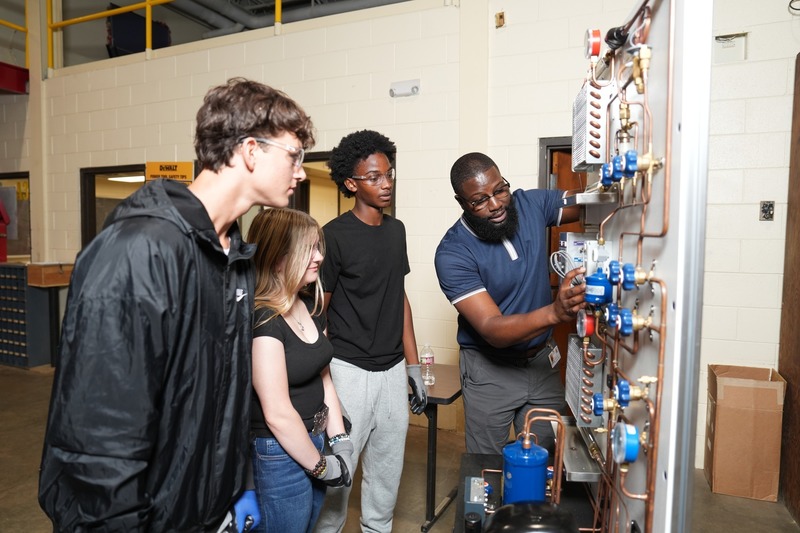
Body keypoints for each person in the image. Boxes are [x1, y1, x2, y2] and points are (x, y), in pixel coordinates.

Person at [38, 78, 314, 532]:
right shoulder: (140, 250)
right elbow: (97, 437)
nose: (300, 172)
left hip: (200, 511)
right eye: (294, 156)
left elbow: (227, 395)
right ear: (251, 150)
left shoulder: (235, 256)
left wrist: (237, 484)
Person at [434, 152, 586, 455]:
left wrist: (613, 183)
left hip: (542, 364)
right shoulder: (453, 253)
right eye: (479, 200)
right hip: (491, 373)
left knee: (545, 460)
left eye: (500, 189)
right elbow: (492, 328)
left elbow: (586, 204)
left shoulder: (529, 204)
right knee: (486, 470)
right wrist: (556, 312)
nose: (496, 205)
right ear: (462, 202)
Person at [314, 129, 426, 533]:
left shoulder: (396, 231)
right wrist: (324, 383)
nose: (386, 183)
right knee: (338, 477)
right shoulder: (333, 236)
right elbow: (317, 315)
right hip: (348, 372)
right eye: (374, 177)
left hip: (392, 371)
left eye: (389, 174)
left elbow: (399, 298)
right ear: (351, 183)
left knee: (386, 475)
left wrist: (412, 367)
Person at [246, 208, 353, 533]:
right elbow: (277, 412)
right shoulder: (264, 321)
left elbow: (324, 377)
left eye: (318, 247)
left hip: (314, 440)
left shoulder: (309, 305)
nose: (319, 256)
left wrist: (340, 438)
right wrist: (321, 467)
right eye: (308, 249)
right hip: (279, 452)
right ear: (277, 256)